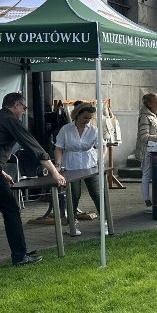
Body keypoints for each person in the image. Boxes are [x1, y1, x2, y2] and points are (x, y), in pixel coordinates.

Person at [0, 92, 65, 270]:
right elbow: (34, 146)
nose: (23, 112)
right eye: (23, 108)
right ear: (16, 105)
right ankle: (20, 256)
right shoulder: (10, 120)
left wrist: (0, 172)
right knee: (11, 210)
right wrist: (55, 173)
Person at [54, 102, 104, 237]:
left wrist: (101, 159)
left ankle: (104, 222)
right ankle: (71, 224)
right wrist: (57, 165)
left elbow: (102, 146)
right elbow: (59, 147)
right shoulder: (66, 129)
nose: (87, 121)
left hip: (90, 164)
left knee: (97, 194)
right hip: (71, 165)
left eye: (89, 118)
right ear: (77, 115)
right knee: (73, 195)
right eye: (85, 117)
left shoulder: (94, 130)